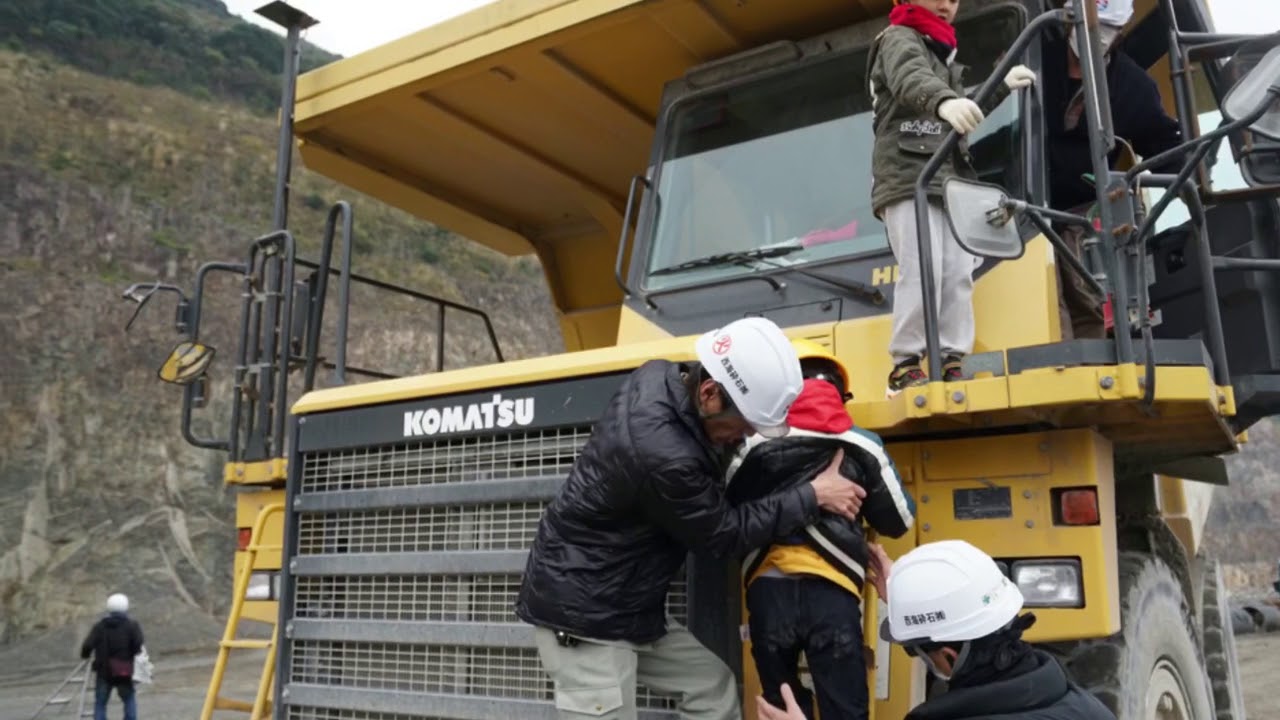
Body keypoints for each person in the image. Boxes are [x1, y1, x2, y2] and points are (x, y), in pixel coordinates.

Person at [515, 317, 869, 720]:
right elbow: (724, 535)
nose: (743, 438)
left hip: (629, 604)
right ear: (709, 393)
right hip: (585, 618)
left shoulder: (659, 375)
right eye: (742, 426)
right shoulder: (665, 456)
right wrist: (812, 494)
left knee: (711, 689)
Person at [726, 340, 917, 720]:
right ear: (838, 392)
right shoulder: (863, 444)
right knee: (845, 708)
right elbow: (899, 520)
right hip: (833, 597)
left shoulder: (750, 444)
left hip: (767, 595)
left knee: (780, 706)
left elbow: (726, 515)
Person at [868, 0, 1038, 396]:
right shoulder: (897, 39)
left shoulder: (942, 53)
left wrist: (997, 88)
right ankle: (905, 363)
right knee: (923, 267)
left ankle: (951, 358)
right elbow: (912, 79)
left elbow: (959, 112)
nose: (947, 4)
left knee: (958, 270)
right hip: (908, 177)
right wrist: (945, 101)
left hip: (948, 179)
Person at [757, 540, 1117, 720]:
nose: (916, 656)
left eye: (915, 649)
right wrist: (905, 599)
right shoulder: (1087, 708)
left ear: (949, 656)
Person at [1044, 0, 1183, 339]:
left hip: (1081, 218)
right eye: (1090, 25)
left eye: (1108, 28)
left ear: (1121, 32)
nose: (1095, 35)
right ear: (1068, 21)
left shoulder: (1133, 87)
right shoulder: (1033, 62)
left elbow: (1166, 148)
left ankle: (1082, 373)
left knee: (1085, 304)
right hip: (1017, 213)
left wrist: (1188, 164)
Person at [80, 593, 144, 720]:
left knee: (100, 703)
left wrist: (85, 655)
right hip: (124, 670)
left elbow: (87, 645)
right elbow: (138, 645)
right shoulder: (132, 625)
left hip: (104, 672)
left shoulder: (100, 626)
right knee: (129, 699)